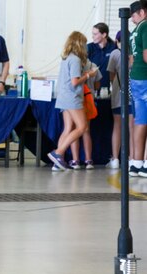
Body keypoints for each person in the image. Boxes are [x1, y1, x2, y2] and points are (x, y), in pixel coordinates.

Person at [48, 31, 97, 171]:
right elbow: (75, 82)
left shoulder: (66, 58)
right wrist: (88, 75)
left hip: (63, 96)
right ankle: (58, 153)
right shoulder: (75, 59)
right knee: (82, 127)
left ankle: (57, 162)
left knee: (68, 128)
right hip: (72, 97)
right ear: (79, 44)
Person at [107, 30, 135, 169]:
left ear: (117, 41)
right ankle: (132, 159)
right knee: (132, 128)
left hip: (118, 97)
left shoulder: (114, 54)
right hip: (133, 97)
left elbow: (111, 77)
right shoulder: (134, 55)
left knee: (117, 127)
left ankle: (115, 159)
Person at [68, 60, 102, 170]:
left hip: (75, 99)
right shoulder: (93, 65)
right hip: (88, 99)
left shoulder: (72, 63)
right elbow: (97, 85)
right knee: (86, 130)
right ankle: (88, 160)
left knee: (75, 129)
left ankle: (75, 160)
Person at [130, 0, 147, 178]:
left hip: (136, 79)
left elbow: (131, 60)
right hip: (145, 77)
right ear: (143, 12)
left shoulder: (133, 32)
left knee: (140, 120)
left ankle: (136, 163)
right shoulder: (146, 26)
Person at [87, 22, 117, 90]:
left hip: (107, 88)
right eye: (92, 34)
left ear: (104, 35)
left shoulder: (113, 48)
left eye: (95, 34)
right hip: (92, 87)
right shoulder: (89, 48)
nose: (92, 36)